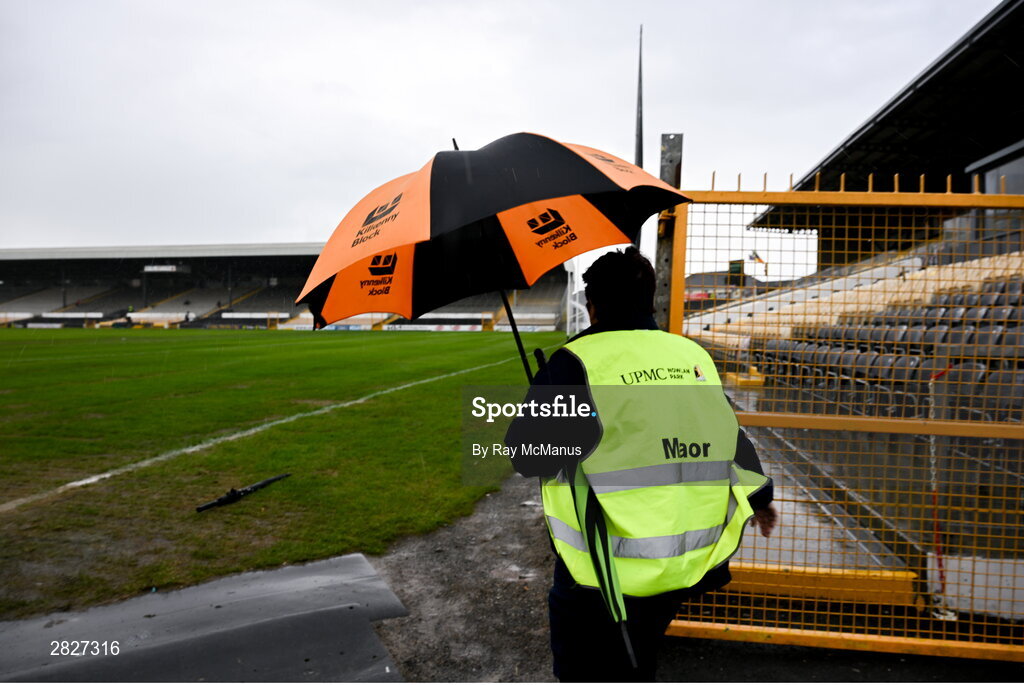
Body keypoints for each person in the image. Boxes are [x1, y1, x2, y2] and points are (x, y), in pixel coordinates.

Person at [506, 247, 776, 682]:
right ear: (650, 299)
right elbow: (732, 437)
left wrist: (545, 399)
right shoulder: (691, 357)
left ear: (591, 305)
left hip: (602, 572)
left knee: (588, 671)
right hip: (685, 565)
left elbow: (526, 457)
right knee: (638, 661)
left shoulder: (574, 362)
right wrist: (761, 496)